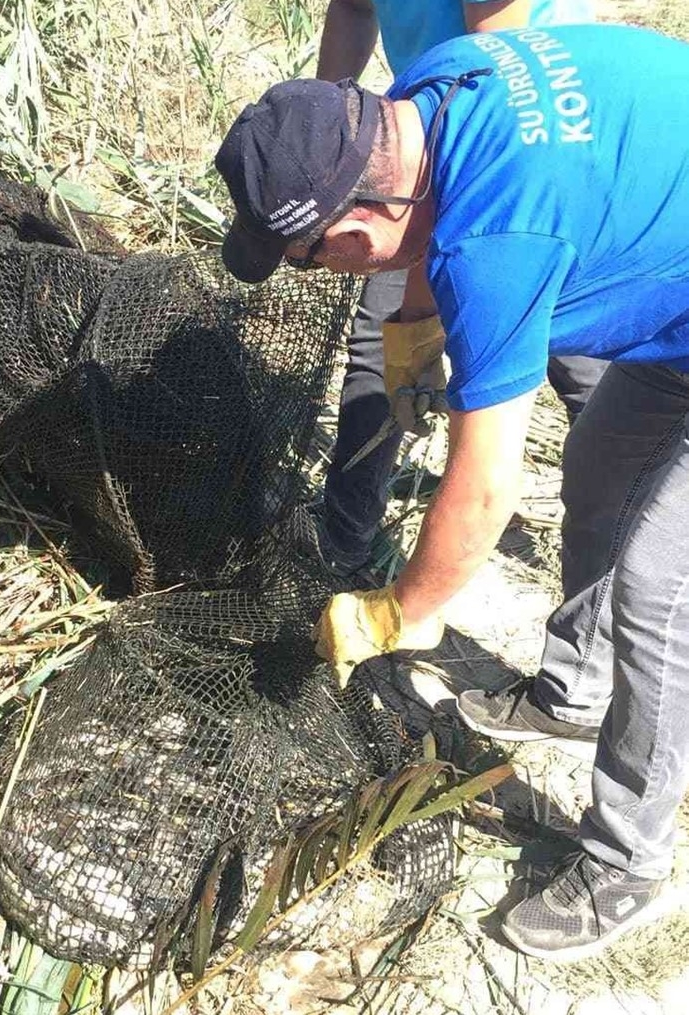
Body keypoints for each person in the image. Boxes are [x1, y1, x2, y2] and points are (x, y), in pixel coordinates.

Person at [213, 23, 689, 961]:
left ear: (349, 233)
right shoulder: (426, 93)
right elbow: (420, 239)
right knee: (600, 468)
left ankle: (629, 861)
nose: (324, 276)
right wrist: (415, 338)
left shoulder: (495, 241)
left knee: (654, 584)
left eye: (311, 260)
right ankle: (573, 691)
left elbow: (484, 490)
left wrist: (402, 610)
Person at [314, 0, 606, 586]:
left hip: (535, 146)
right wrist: (325, 150)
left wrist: (423, 302)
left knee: (574, 359)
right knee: (382, 339)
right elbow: (351, 10)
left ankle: (621, 550)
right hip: (422, 131)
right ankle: (342, 543)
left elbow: (493, 75)